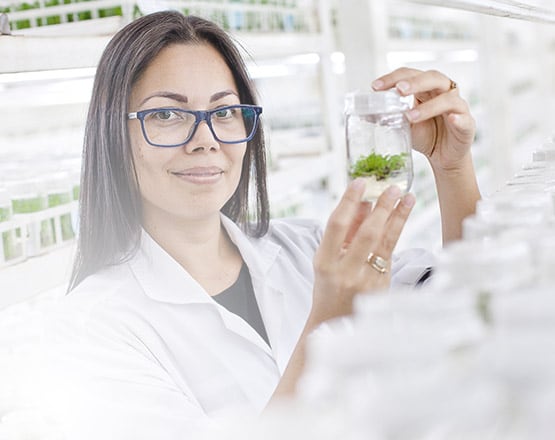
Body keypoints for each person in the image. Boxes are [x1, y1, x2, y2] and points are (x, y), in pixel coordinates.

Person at [37, 10, 480, 439]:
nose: (206, 140)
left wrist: (453, 169)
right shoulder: (93, 329)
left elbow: (476, 308)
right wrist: (329, 321)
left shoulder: (306, 248)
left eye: (224, 112)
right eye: (166, 115)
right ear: (113, 135)